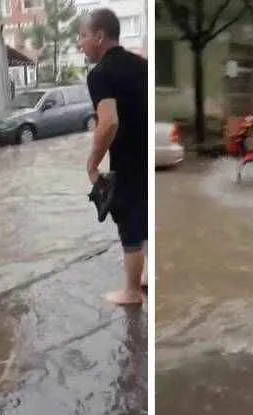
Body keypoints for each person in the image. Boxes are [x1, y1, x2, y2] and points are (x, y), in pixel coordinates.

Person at [78, 8, 146, 305]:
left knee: (129, 222)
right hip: (147, 158)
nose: (80, 43)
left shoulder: (101, 74)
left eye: (83, 36)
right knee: (146, 216)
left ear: (99, 36)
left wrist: (92, 162)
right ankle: (145, 277)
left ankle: (131, 291)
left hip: (128, 162)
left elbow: (109, 122)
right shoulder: (142, 65)